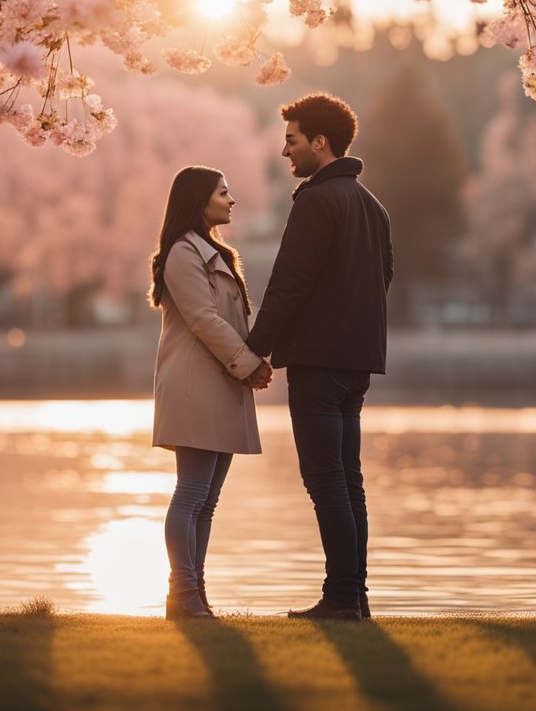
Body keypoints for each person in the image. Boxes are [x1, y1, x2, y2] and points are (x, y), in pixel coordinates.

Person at [245, 93, 393, 621]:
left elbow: (287, 287)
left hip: (319, 363)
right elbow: (385, 280)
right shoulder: (373, 207)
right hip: (356, 365)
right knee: (348, 480)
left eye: (292, 140)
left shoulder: (315, 201)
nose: (286, 152)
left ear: (319, 142)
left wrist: (249, 353)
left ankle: (340, 598)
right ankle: (355, 598)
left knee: (326, 480)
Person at [148, 166, 273, 620]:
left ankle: (193, 596)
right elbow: (203, 320)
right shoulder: (184, 252)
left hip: (219, 384)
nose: (231, 199)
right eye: (223, 192)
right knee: (191, 494)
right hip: (196, 386)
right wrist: (248, 364)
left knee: (206, 499)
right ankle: (183, 594)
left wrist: (250, 364)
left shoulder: (212, 252)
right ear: (199, 200)